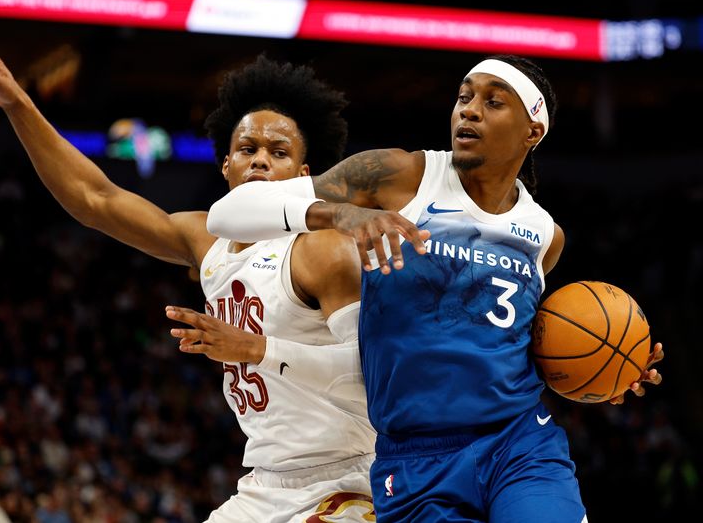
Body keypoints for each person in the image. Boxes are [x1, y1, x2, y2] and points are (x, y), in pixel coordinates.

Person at [206, 54, 665, 522]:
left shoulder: (545, 234)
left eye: (493, 101)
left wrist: (607, 368)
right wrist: (335, 212)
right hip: (415, 457)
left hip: (519, 443)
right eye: (464, 97)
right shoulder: (400, 176)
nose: (469, 110)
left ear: (533, 131)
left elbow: (511, 343)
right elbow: (226, 214)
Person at [0, 32, 376, 522]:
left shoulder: (322, 250)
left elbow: (371, 376)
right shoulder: (206, 240)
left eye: (278, 152)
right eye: (247, 148)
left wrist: (257, 349)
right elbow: (96, 200)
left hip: (345, 477)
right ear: (225, 165)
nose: (260, 159)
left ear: (303, 172)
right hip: (264, 482)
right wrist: (17, 103)